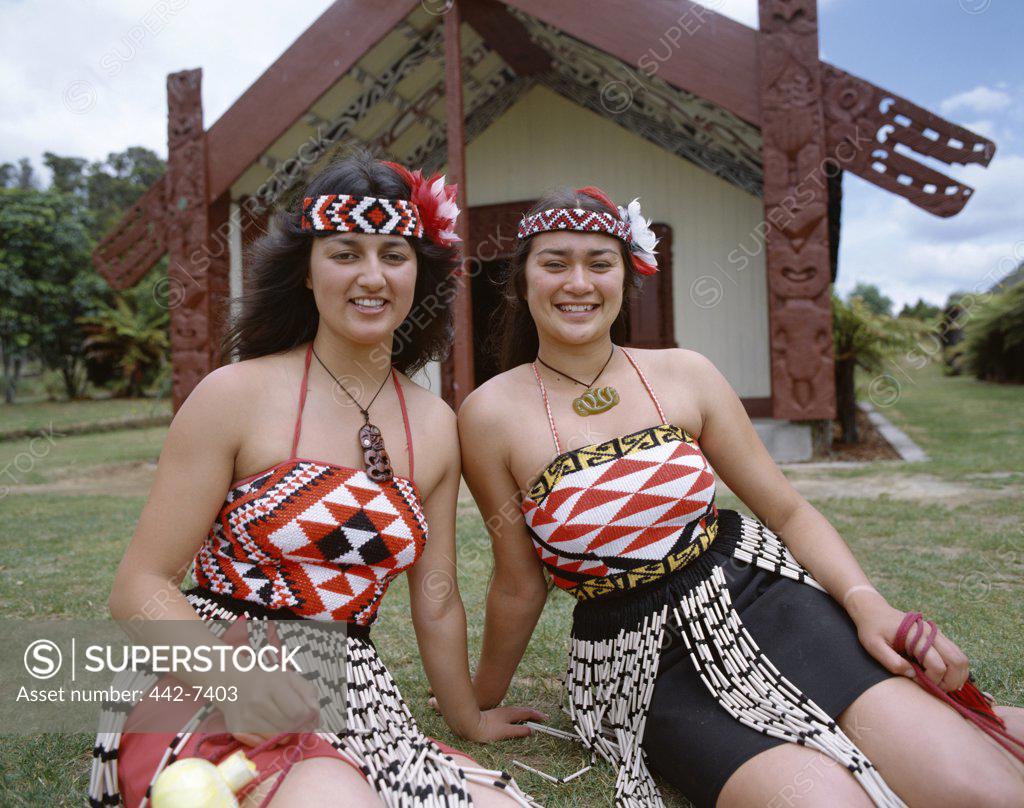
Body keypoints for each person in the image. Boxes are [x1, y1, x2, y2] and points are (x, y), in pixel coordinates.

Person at [457, 186, 1024, 807]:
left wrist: (867, 604)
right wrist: (479, 697)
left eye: (600, 262)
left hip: (766, 596)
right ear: (521, 278)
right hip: (640, 664)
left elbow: (785, 509)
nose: (579, 283)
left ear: (627, 275)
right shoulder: (488, 415)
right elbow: (518, 582)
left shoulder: (686, 373)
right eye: (555, 262)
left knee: (977, 788)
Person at [89, 153, 543, 807]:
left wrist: (468, 715)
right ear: (306, 271)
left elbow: (436, 596)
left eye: (394, 254)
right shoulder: (234, 395)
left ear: (421, 273)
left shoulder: (434, 425)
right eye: (345, 253)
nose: (372, 276)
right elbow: (138, 586)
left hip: (350, 684)